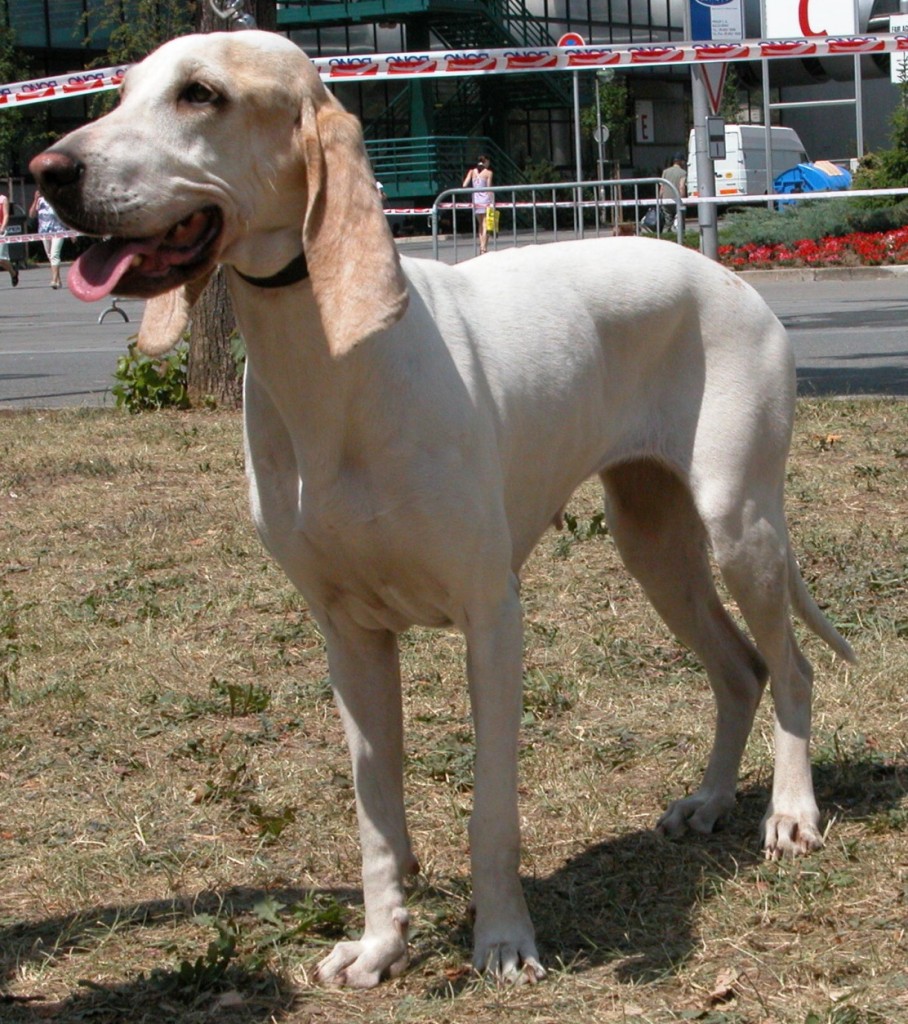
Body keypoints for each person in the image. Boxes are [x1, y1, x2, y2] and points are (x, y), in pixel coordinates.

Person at [29, 190, 66, 288]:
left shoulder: (57, 200)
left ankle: (54, 280)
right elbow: (31, 215)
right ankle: (58, 280)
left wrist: (70, 232)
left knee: (54, 254)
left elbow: (65, 217)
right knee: (50, 255)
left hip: (58, 231)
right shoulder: (40, 201)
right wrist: (35, 199)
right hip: (44, 232)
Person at [463, 154, 494, 254]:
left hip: (475, 200)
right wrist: (492, 201)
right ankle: (483, 247)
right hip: (485, 200)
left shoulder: (472, 171)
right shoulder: (488, 173)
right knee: (486, 224)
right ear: (486, 162)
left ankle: (482, 247)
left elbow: (464, 185)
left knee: (480, 224)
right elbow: (489, 188)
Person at [659, 152, 687, 234]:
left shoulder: (665, 172)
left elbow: (662, 188)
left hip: (666, 201)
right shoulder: (683, 172)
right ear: (681, 161)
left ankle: (665, 238)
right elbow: (681, 187)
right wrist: (683, 200)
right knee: (680, 222)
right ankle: (681, 239)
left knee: (668, 222)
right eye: (683, 161)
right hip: (677, 200)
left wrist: (660, 199)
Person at [0, 192, 18, 287]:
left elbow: (6, 215)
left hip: (1, 230)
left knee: (1, 259)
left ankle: (13, 272)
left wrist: (2, 228)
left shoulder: (3, 199)